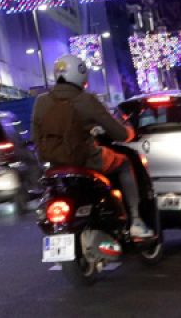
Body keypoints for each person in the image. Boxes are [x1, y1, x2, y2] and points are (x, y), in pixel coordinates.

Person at [31, 53, 150, 240]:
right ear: (81, 75)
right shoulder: (86, 100)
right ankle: (135, 219)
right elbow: (118, 133)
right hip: (87, 160)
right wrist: (129, 132)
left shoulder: (41, 101)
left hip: (54, 166)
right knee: (125, 162)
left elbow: (36, 136)